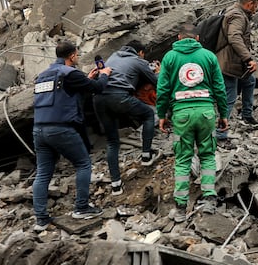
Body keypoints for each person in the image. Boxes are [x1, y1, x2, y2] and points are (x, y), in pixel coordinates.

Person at [31, 40, 112, 231]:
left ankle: (41, 219)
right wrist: (104, 75)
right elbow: (98, 89)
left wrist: (88, 79)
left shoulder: (42, 76)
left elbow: (65, 94)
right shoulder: (70, 73)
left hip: (38, 130)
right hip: (60, 128)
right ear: (73, 56)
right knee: (83, 163)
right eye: (77, 54)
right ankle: (81, 207)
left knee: (43, 173)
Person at [156, 23, 228, 222]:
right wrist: (223, 113)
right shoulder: (208, 56)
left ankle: (180, 208)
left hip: (181, 115)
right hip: (206, 113)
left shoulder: (170, 57)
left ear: (179, 37)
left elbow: (162, 89)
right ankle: (208, 199)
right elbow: (220, 88)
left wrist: (161, 114)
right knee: (207, 155)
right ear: (197, 38)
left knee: (183, 159)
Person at [93, 40, 160, 195]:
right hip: (118, 96)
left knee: (112, 141)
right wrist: (157, 71)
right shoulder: (138, 60)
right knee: (149, 114)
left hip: (98, 99)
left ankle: (116, 185)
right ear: (141, 52)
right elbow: (157, 82)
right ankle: (146, 155)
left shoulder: (112, 57)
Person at [214, 0, 258, 139]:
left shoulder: (235, 12)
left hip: (234, 61)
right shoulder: (238, 16)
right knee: (230, 96)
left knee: (250, 81)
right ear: (250, 4)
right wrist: (248, 58)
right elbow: (234, 37)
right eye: (256, 6)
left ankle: (247, 115)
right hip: (228, 62)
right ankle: (221, 133)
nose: (256, 9)